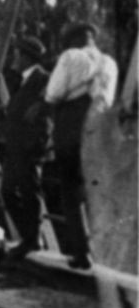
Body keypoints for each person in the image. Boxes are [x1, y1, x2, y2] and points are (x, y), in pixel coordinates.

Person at [44, 22, 119, 269]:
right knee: (94, 191)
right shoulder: (109, 63)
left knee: (70, 191)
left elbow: (53, 93)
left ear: (74, 39)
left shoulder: (71, 56)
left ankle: (80, 252)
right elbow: (107, 99)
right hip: (98, 132)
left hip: (71, 131)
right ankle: (105, 253)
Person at [0, 36, 51, 261]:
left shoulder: (43, 79)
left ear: (26, 57)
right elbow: (18, 109)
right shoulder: (23, 79)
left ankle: (32, 239)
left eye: (16, 54)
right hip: (16, 144)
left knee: (30, 191)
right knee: (9, 192)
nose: (13, 58)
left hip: (30, 145)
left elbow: (51, 105)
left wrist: (40, 109)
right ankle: (30, 236)